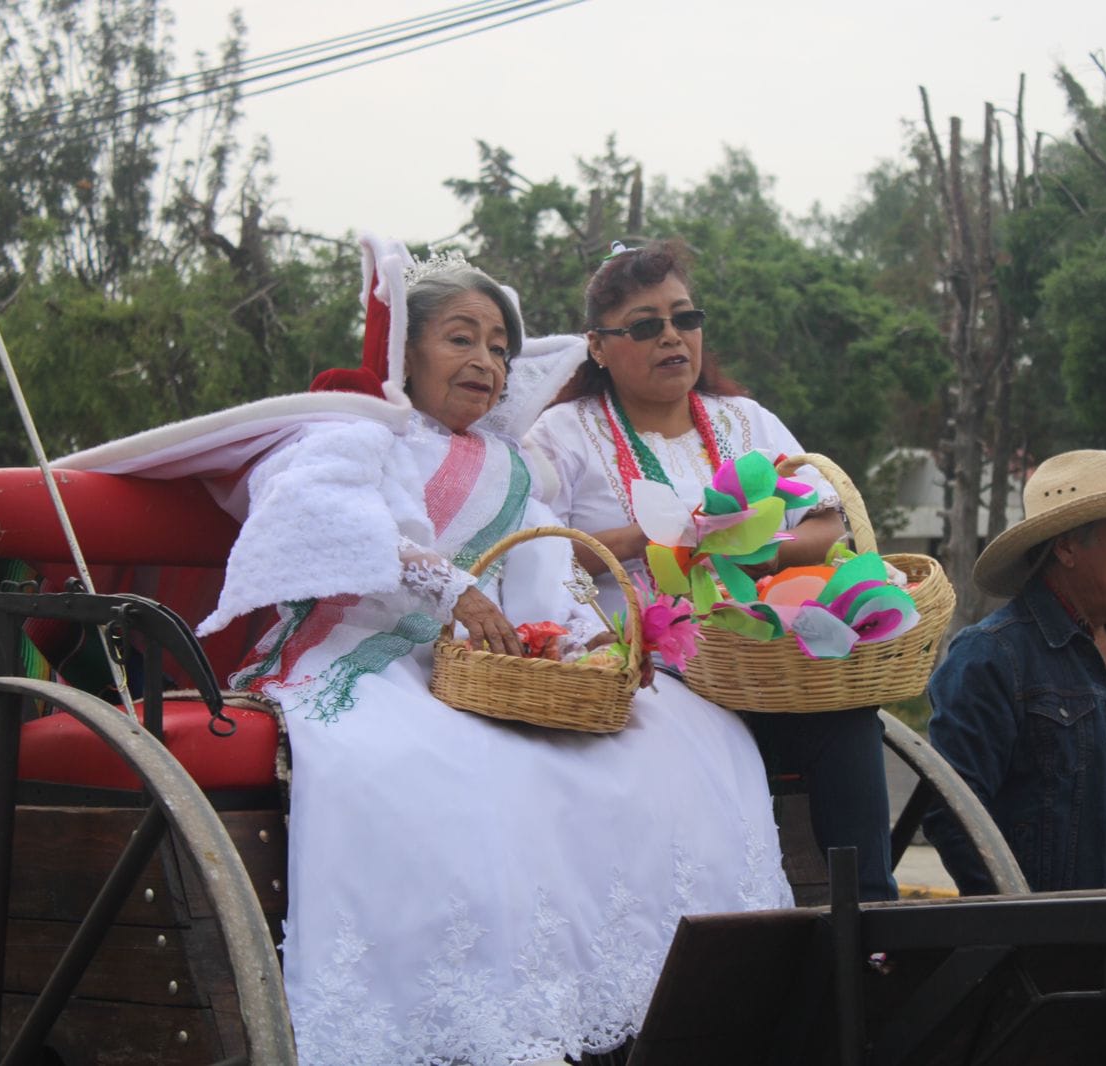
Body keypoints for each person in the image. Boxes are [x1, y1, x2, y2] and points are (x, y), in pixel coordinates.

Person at [196, 238, 791, 1065]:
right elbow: (335, 523)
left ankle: (642, 992)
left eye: (501, 348)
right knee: (451, 769)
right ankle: (448, 1019)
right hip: (365, 654)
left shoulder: (515, 467)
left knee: (678, 736)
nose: (487, 361)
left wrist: (595, 646)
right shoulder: (358, 432)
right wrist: (454, 592)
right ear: (409, 352)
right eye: (462, 338)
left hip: (481, 668)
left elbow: (542, 576)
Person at [525, 239, 899, 903]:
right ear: (599, 346)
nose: (672, 337)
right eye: (645, 326)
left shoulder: (745, 421)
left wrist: (736, 550)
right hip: (640, 669)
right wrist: (649, 541)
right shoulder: (562, 434)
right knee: (682, 728)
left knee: (847, 715)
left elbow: (824, 521)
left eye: (684, 319)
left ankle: (870, 923)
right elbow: (533, 543)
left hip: (765, 658)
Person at [922, 449, 1106, 896]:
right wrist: (1022, 931)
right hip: (1057, 948)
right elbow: (954, 816)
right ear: (1066, 547)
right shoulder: (991, 656)